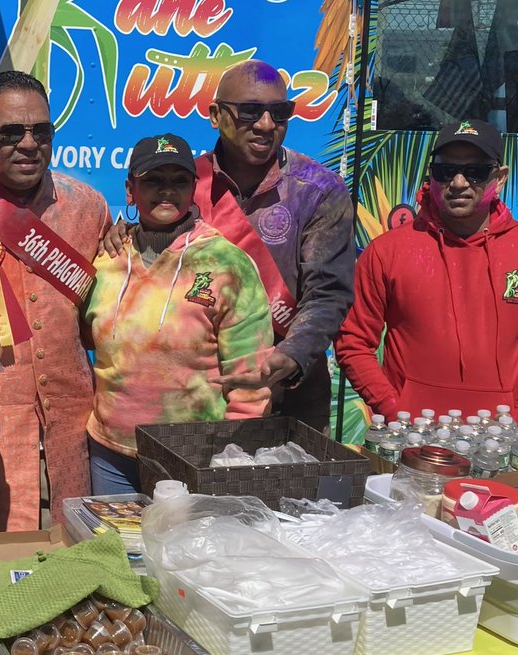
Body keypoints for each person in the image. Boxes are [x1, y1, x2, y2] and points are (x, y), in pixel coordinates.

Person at [104, 59, 355, 432]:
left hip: (292, 390)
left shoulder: (319, 191)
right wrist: (124, 234)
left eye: (280, 112)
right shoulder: (185, 181)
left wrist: (291, 356)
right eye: (250, 112)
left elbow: (327, 293)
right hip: (203, 397)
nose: (266, 125)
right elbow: (149, 260)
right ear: (215, 115)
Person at [0, 70, 110, 533]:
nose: (29, 144)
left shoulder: (87, 207)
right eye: (11, 133)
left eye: (41, 131)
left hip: (71, 425)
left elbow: (105, 315)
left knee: (73, 561)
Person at [333, 118, 518, 420]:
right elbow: (353, 342)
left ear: (500, 177)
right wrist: (392, 409)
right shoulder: (386, 252)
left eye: (476, 172)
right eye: (445, 171)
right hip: (408, 439)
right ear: (431, 175)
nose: (458, 183)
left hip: (501, 446)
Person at [86, 134, 274, 495]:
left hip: (194, 455)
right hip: (110, 455)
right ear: (130, 190)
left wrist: (228, 455)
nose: (166, 192)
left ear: (193, 188)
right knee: (115, 550)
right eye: (153, 180)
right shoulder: (105, 260)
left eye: (179, 181)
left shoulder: (227, 265)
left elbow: (252, 379)